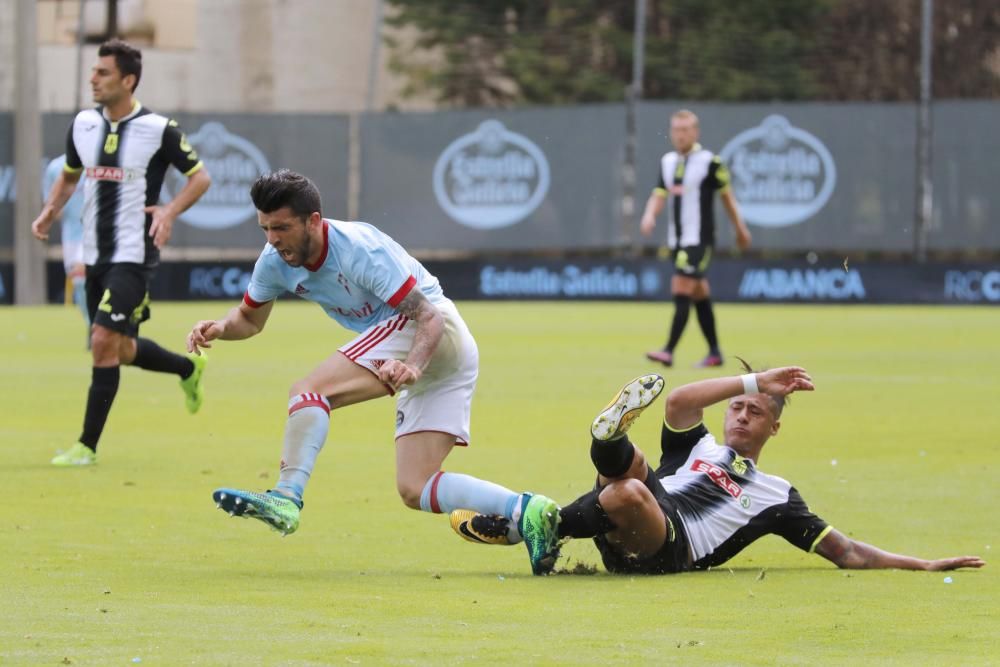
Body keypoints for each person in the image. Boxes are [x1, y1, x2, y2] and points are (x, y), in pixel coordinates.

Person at [186, 169, 531, 537]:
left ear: (314, 221)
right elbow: (249, 320)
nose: (272, 240)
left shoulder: (357, 249)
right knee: (414, 486)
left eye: (282, 228)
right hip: (436, 358)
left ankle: (286, 496)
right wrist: (223, 327)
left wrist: (413, 366)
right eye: (265, 229)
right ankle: (527, 511)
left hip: (429, 329)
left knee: (308, 391)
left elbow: (427, 316)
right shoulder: (274, 261)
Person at [452, 368, 986, 577]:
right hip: (643, 501)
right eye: (739, 407)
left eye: (755, 412)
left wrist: (922, 563)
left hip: (669, 549)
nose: (742, 415)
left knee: (630, 491)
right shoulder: (698, 445)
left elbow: (843, 552)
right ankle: (605, 441)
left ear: (773, 430)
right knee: (630, 464)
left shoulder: (778, 497)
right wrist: (753, 382)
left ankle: (542, 524)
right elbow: (680, 399)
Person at [31, 39, 212, 467]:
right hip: (95, 253)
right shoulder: (82, 124)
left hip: (133, 255)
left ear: (128, 80)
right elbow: (71, 177)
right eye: (94, 71)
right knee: (121, 350)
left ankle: (86, 447)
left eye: (103, 72)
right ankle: (188, 370)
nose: (93, 78)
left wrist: (168, 210)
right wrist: (48, 212)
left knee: (100, 341)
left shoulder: (158, 129)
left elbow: (200, 178)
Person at [640, 109, 752, 368]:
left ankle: (668, 350)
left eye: (685, 130)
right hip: (676, 239)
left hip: (700, 240)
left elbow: (727, 198)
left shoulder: (710, 162)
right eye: (676, 130)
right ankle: (715, 353)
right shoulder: (667, 161)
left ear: (695, 132)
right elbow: (659, 193)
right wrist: (649, 215)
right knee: (699, 293)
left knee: (681, 287)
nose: (680, 135)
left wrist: (740, 229)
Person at [42, 154, 90, 346]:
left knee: (84, 279)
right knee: (79, 283)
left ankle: (99, 327)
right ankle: (91, 324)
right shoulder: (56, 167)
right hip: (71, 234)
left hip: (94, 232)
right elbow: (51, 203)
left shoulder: (97, 162)